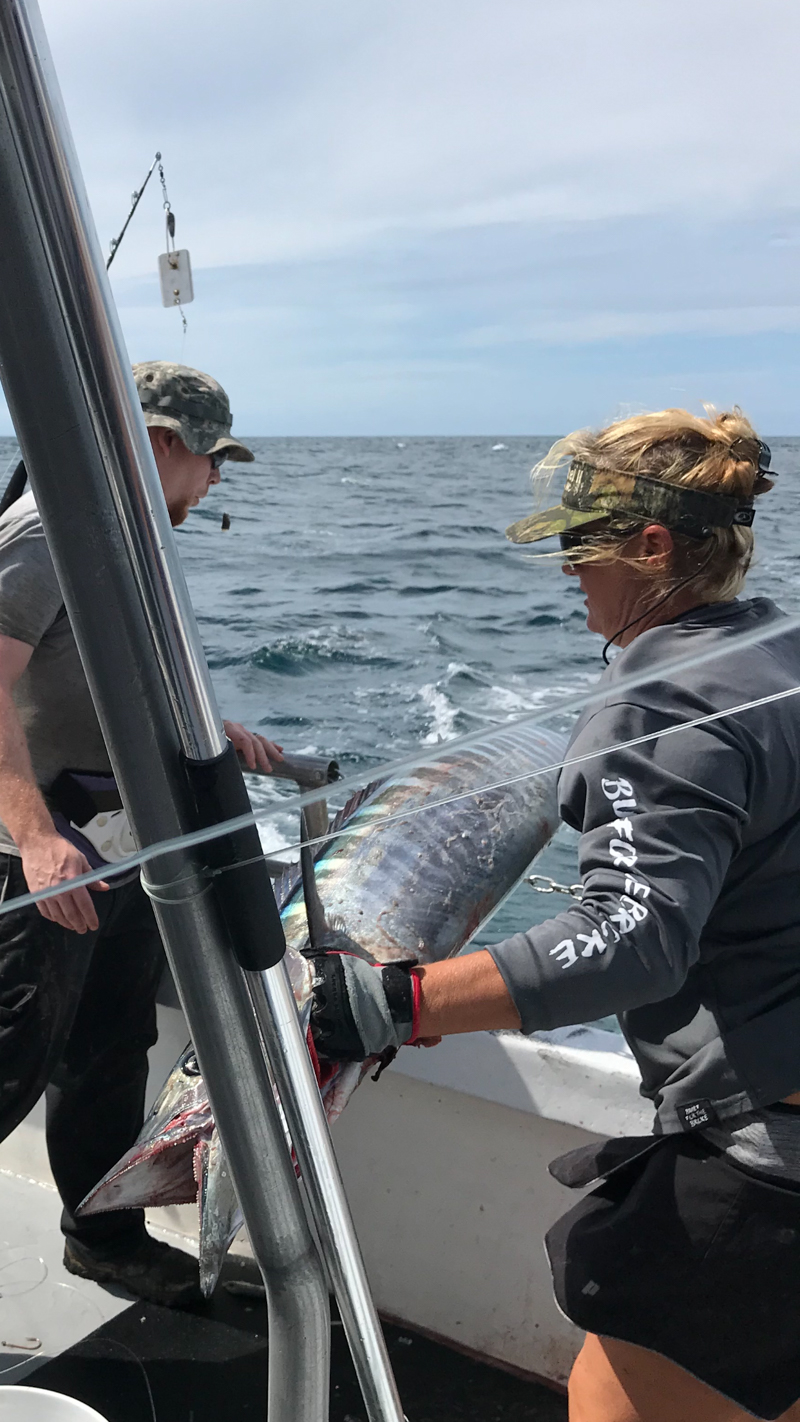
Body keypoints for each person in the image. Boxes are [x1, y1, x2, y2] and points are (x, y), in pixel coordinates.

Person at [306, 408, 800, 1422]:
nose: (567, 572)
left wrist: (386, 1005)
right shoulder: (778, 651)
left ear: (652, 545)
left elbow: (631, 940)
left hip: (764, 1175)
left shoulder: (659, 702)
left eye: (581, 546)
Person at [0, 361, 282, 1307]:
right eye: (210, 460)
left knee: (108, 1047)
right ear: (162, 444)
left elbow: (97, 677)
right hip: (34, 858)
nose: (215, 482)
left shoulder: (121, 542)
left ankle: (104, 1237)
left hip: (119, 847)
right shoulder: (46, 535)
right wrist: (37, 840)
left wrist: (206, 735)